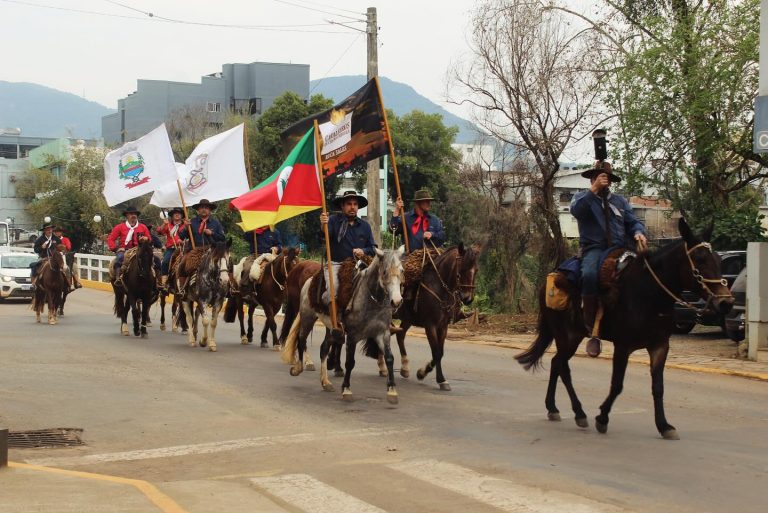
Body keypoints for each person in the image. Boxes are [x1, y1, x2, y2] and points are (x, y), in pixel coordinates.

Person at [570, 161, 647, 358]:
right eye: (598, 177)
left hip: (621, 248)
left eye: (605, 178)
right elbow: (577, 211)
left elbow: (633, 222)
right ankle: (589, 324)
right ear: (592, 178)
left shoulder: (620, 201)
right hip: (594, 248)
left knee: (645, 273)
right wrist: (594, 191)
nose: (603, 181)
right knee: (588, 275)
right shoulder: (581, 198)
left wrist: (638, 232)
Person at [319, 190, 377, 307]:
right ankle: (327, 311)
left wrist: (363, 251)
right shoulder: (332, 221)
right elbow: (323, 239)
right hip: (336, 264)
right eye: (349, 204)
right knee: (333, 291)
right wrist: (323, 225)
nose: (352, 207)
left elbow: (373, 248)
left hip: (359, 265)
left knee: (378, 286)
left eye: (355, 204)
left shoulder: (365, 226)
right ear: (342, 206)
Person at [107, 206, 151, 280]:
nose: (133, 215)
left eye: (135, 214)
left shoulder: (143, 227)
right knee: (119, 259)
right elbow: (110, 239)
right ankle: (118, 278)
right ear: (127, 215)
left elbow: (149, 238)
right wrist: (116, 249)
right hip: (125, 250)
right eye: (131, 214)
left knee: (155, 260)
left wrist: (146, 239)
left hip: (139, 249)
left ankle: (157, 281)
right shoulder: (119, 227)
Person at [156, 208, 186, 291]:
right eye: (175, 213)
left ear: (182, 215)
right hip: (171, 249)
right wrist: (164, 224)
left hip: (184, 248)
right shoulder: (168, 224)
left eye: (179, 213)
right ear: (172, 216)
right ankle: (164, 282)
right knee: (165, 262)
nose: (177, 214)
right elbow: (159, 232)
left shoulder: (186, 225)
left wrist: (183, 242)